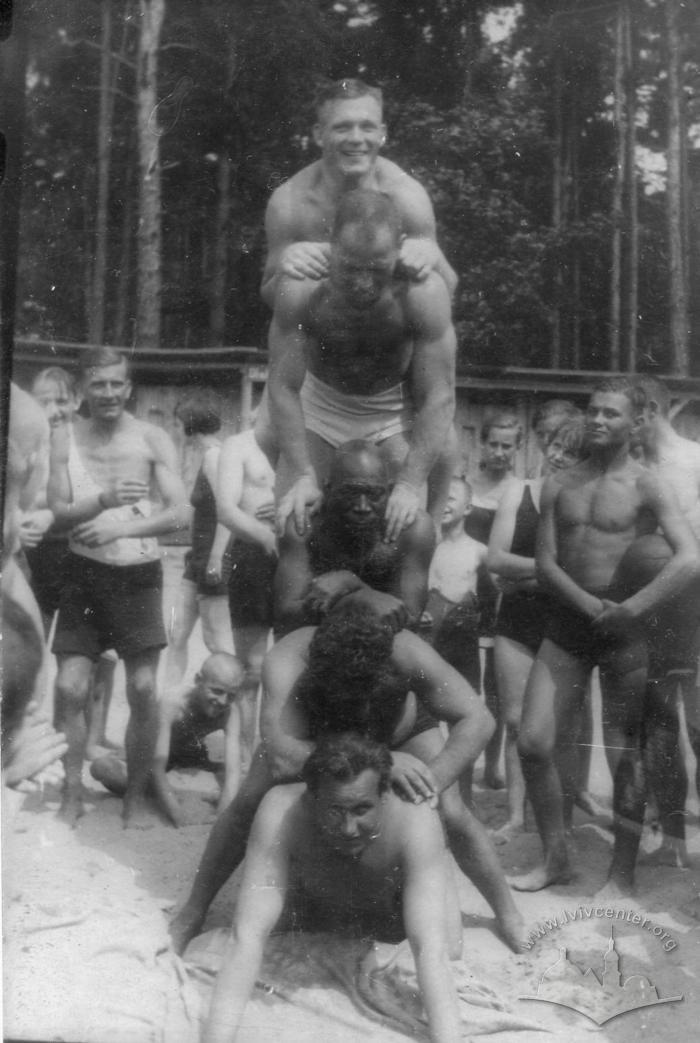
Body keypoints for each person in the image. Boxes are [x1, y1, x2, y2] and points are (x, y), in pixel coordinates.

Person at [170, 608, 525, 956]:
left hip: (399, 731)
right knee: (248, 802)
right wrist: (382, 764)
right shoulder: (287, 661)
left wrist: (428, 781)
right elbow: (280, 756)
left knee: (450, 808)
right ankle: (193, 909)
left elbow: (478, 720)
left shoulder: (408, 651)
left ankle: (508, 913)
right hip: (319, 736)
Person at [515, 377, 700, 895]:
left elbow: (688, 558)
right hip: (572, 624)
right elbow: (546, 563)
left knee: (626, 753)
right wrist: (589, 606)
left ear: (633, 421)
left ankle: (621, 876)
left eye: (611, 414)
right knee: (532, 741)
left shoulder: (647, 484)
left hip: (626, 630)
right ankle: (556, 858)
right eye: (593, 411)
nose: (598, 421)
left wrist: (632, 608)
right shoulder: (560, 482)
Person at [203, 734, 463, 1043]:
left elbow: (430, 950)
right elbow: (246, 935)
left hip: (391, 914)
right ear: (312, 799)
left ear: (384, 797)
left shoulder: (415, 818)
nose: (349, 828)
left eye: (362, 809)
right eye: (335, 810)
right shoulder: (281, 808)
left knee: (451, 949)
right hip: (322, 905)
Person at [47, 347, 189, 828]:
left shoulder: (152, 438)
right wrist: (103, 502)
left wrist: (121, 528)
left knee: (145, 688)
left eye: (116, 384)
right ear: (84, 388)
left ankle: (134, 798)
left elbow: (179, 512)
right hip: (84, 573)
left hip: (137, 575)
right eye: (98, 384)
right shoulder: (65, 437)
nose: (107, 393)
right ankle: (71, 790)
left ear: (129, 388)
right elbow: (58, 511)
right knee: (69, 686)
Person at [269, 188, 458, 542]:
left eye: (377, 268)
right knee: (294, 527)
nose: (362, 282)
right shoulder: (300, 287)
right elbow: (282, 387)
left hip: (392, 412)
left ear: (400, 247)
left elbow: (439, 396)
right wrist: (302, 474)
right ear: (331, 243)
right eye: (350, 267)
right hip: (321, 408)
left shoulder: (423, 292)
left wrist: (408, 483)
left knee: (410, 532)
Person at [488, 414, 600, 841]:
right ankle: (517, 816)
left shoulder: (585, 502)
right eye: (553, 444)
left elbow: (589, 570)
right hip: (517, 618)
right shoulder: (519, 492)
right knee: (516, 721)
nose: (555, 455)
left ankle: (562, 819)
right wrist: (553, 574)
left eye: (569, 452)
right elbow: (495, 559)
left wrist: (532, 576)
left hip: (563, 620)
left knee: (563, 726)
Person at [260, 77, 457, 308]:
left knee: (427, 286)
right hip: (324, 329)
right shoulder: (289, 201)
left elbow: (449, 286)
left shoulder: (407, 196)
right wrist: (287, 262)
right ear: (318, 134)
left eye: (367, 127)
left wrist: (429, 256)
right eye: (342, 127)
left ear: (382, 134)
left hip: (390, 329)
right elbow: (269, 296)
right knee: (293, 284)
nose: (356, 139)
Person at [26, 366, 118, 757]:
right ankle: (30, 736)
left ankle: (92, 736)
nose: (54, 409)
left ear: (76, 401)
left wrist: (53, 513)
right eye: (43, 401)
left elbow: (98, 493)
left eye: (61, 400)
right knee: (31, 649)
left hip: (85, 550)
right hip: (36, 556)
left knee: (99, 653)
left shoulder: (87, 438)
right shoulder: (25, 438)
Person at [635, 375, 700, 869]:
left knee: (698, 728)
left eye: (631, 416)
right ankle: (673, 840)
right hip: (652, 605)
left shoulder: (694, 461)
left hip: (694, 603)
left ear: (650, 411)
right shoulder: (637, 468)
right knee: (656, 725)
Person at [274, 439, 435, 636]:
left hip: (384, 638)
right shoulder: (304, 524)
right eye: (349, 493)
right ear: (327, 489)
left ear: (390, 491)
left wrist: (352, 586)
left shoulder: (413, 527)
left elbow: (409, 619)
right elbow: (287, 616)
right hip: (319, 635)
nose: (362, 507)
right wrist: (363, 598)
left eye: (374, 494)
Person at [90, 652, 245, 825]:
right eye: (217, 691)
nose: (223, 701)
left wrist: (221, 818)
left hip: (189, 758)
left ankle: (183, 790)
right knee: (101, 767)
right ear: (198, 680)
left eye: (231, 695)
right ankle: (178, 791)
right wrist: (179, 816)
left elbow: (233, 771)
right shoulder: (173, 702)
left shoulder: (231, 711)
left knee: (246, 777)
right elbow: (157, 765)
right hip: (156, 758)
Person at [465, 411, 524, 790]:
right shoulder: (464, 486)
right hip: (466, 591)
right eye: (494, 444)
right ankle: (465, 763)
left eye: (508, 445)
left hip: (502, 593)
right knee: (467, 682)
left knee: (499, 690)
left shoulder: (519, 490)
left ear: (517, 449)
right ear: (481, 444)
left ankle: (491, 766)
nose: (500, 452)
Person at [216, 419, 277, 772]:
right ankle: (241, 764)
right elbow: (226, 509)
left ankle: (275, 759)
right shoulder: (239, 445)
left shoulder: (307, 439)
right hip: (252, 557)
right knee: (251, 670)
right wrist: (266, 535)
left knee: (290, 665)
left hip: (296, 558)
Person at [163, 392, 235, 691]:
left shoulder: (215, 457)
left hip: (213, 558)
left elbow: (227, 513)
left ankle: (227, 699)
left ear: (190, 425)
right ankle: (169, 699)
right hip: (196, 559)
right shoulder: (202, 456)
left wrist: (217, 557)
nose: (175, 430)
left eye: (178, 424)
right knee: (176, 632)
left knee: (216, 639)